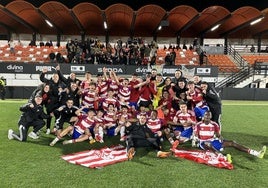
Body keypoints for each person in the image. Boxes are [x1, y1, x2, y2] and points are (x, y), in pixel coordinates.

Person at [192, 111, 266, 160]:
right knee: (207, 143)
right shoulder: (198, 124)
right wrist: (195, 140)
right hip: (203, 143)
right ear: (203, 116)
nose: (207, 117)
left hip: (213, 141)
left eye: (209, 116)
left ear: (210, 117)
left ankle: (256, 153)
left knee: (232, 142)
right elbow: (195, 134)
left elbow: (218, 135)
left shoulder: (214, 124)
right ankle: (223, 157)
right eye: (206, 116)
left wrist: (220, 137)